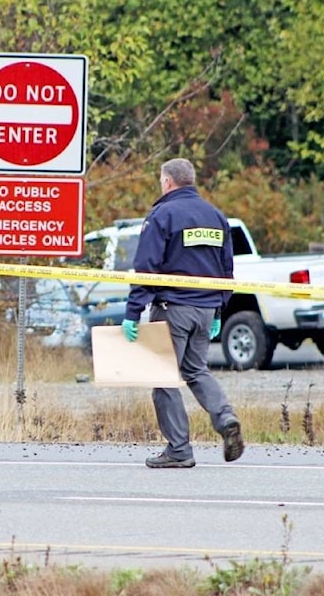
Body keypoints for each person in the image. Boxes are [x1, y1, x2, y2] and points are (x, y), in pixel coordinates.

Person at [121, 158, 243, 469]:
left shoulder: (162, 215)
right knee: (196, 371)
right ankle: (225, 417)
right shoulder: (216, 216)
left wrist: (133, 311)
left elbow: (146, 266)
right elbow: (226, 269)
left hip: (173, 309)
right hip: (205, 310)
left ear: (168, 182)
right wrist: (219, 307)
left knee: (163, 377)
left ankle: (178, 449)